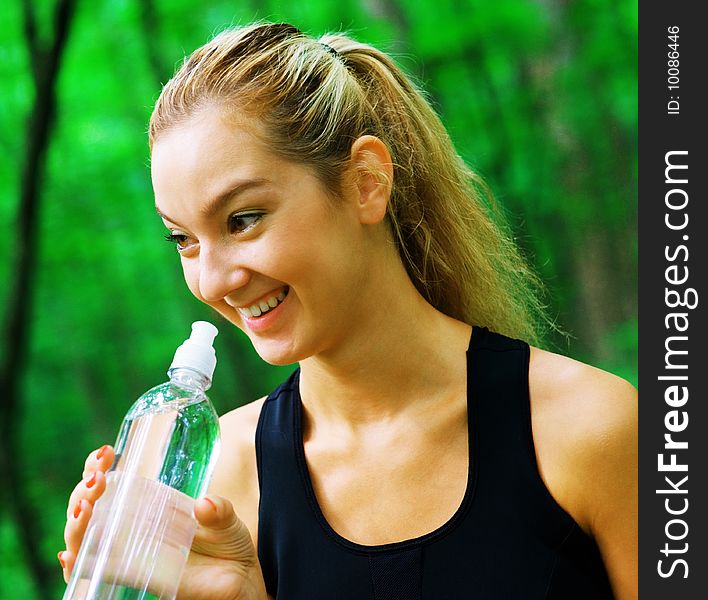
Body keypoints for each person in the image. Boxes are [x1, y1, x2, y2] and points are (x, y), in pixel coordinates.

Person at [59, 22, 637, 600]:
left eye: (243, 219)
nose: (213, 280)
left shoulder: (595, 430)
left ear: (365, 181)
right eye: (183, 239)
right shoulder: (219, 485)